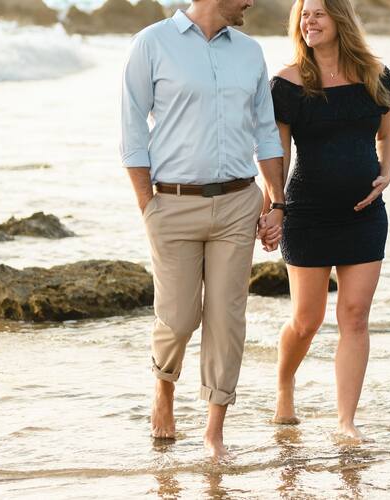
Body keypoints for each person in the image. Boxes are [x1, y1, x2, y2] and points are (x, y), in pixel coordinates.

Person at [120, 0, 285, 460]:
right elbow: (131, 130)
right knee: (178, 318)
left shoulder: (250, 52)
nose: (251, 2)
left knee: (226, 319)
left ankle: (215, 431)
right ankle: (164, 389)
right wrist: (146, 205)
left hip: (238, 202)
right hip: (171, 204)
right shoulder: (151, 44)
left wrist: (278, 203)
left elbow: (267, 133)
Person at [266, 0, 390, 442]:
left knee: (355, 316)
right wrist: (275, 205)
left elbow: (387, 137)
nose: (309, 21)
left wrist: (386, 175)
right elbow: (278, 154)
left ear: (340, 19)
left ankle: (346, 421)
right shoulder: (287, 84)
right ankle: (285, 385)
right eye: (304, 15)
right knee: (307, 319)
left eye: (319, 13)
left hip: (365, 217)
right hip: (307, 215)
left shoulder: (374, 75)